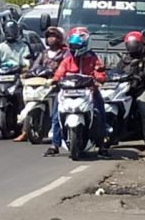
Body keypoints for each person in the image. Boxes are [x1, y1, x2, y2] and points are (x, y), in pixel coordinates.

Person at [45, 27, 108, 157]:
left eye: (77, 45)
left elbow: (99, 71)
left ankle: (101, 144)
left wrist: (99, 78)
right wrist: (54, 80)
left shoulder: (92, 58)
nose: (74, 48)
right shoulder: (68, 59)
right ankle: (55, 144)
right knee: (56, 114)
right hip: (67, 92)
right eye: (72, 45)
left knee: (100, 112)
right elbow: (60, 71)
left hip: (88, 92)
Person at [0, 21, 32, 139]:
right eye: (8, 32)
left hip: (16, 75)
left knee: (24, 95)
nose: (11, 34)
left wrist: (26, 67)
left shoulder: (23, 46)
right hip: (0, 75)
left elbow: (26, 60)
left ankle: (26, 119)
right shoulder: (1, 47)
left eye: (13, 31)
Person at [116, 31, 145, 150]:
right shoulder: (124, 59)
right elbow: (117, 71)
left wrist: (140, 76)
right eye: (130, 44)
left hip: (140, 89)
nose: (132, 46)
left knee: (144, 110)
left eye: (134, 44)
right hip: (124, 90)